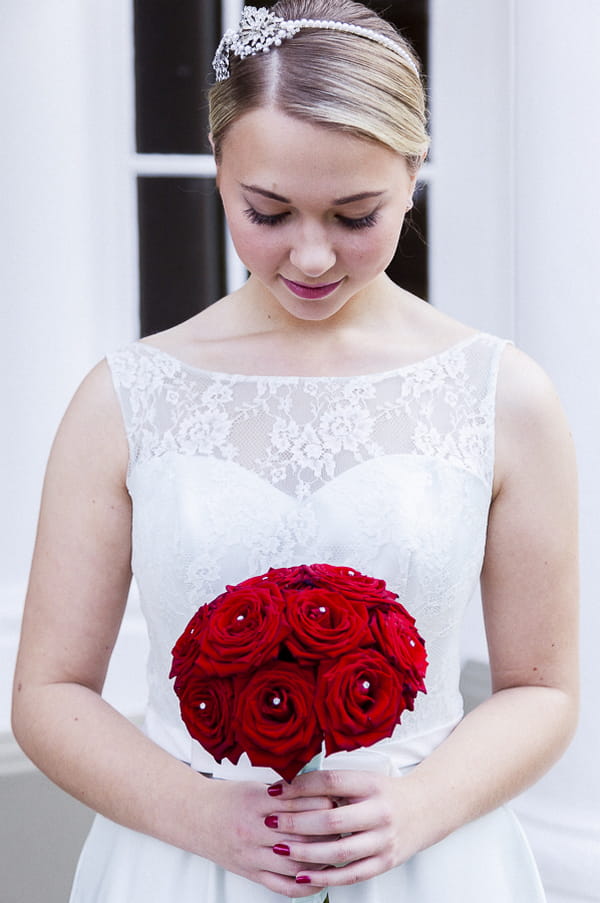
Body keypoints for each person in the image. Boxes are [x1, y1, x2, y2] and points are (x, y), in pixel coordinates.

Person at [12, 1, 579, 901]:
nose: (311, 256)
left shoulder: (504, 397)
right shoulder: (123, 398)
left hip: (432, 866)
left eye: (356, 215)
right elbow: (48, 692)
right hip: (183, 862)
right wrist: (204, 818)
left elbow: (542, 688)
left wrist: (419, 807)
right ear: (219, 171)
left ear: (412, 171)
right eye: (268, 211)